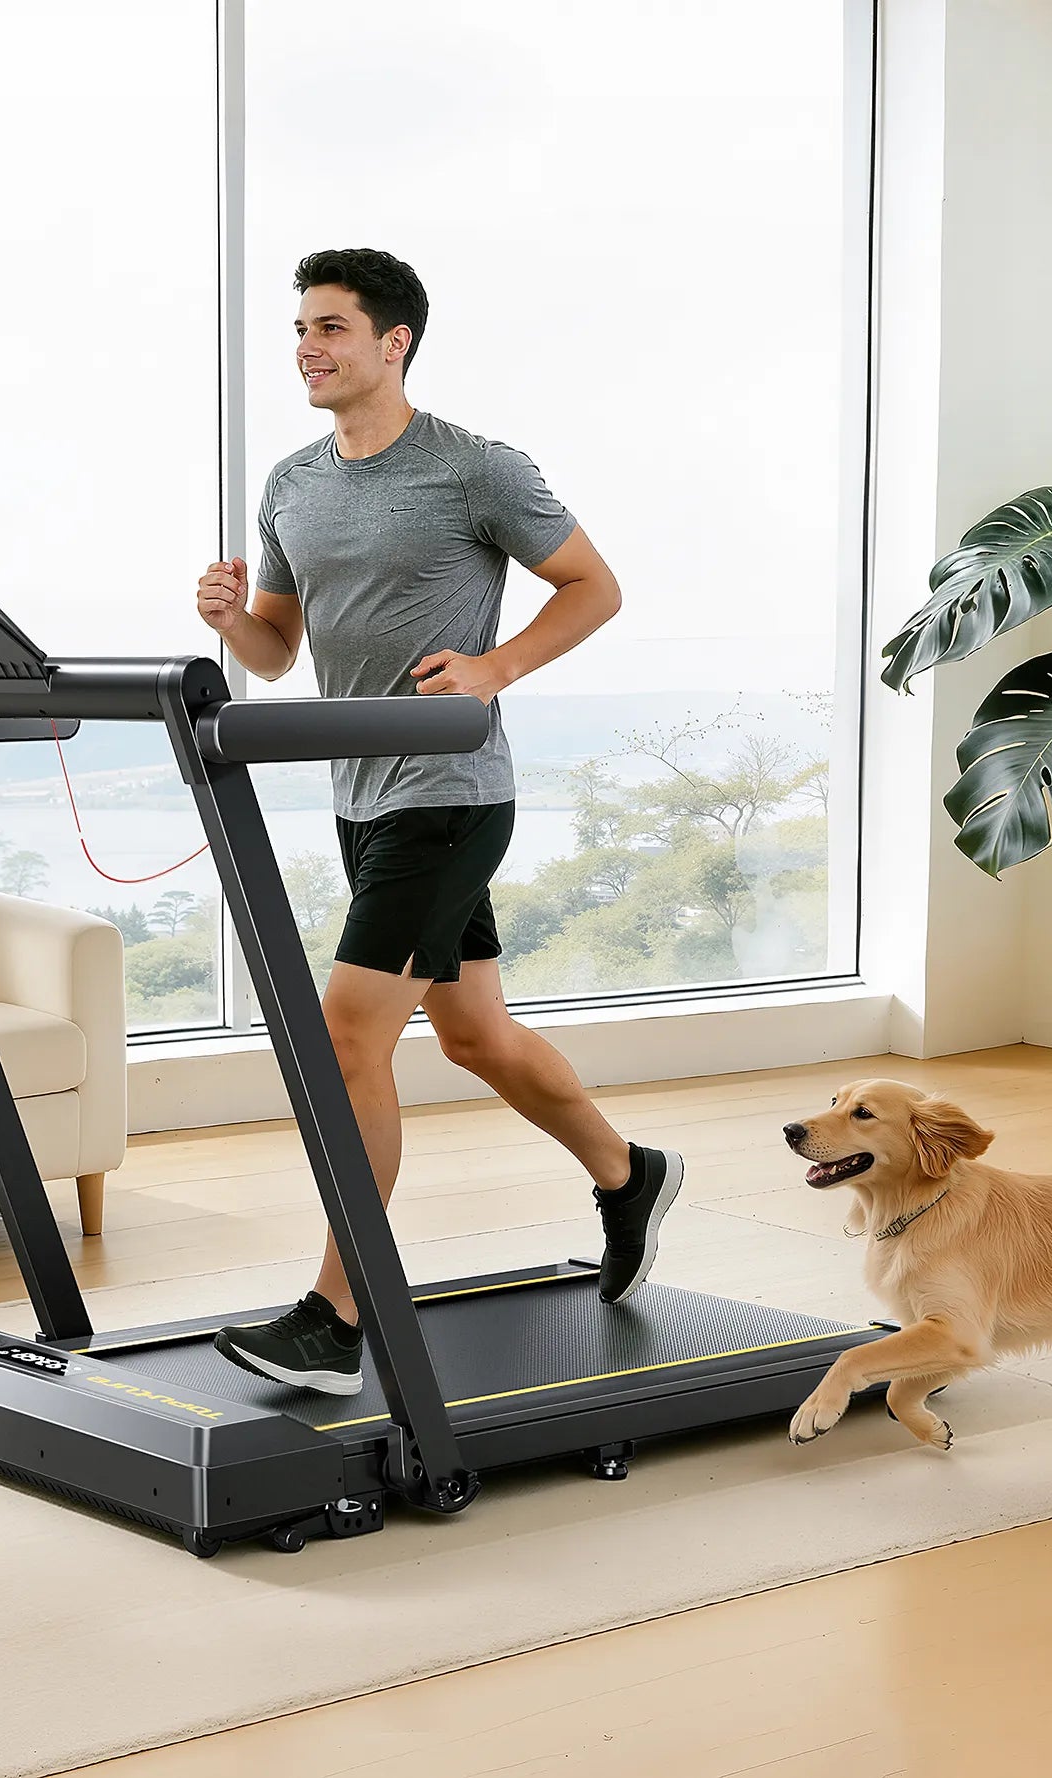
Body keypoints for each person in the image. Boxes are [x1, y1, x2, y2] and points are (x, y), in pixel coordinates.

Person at [193, 247, 684, 1397]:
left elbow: (592, 585)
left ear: (392, 341)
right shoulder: (291, 483)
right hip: (359, 797)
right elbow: (276, 649)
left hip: (452, 795)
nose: (308, 348)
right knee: (475, 1037)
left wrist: (494, 665)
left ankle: (336, 1309)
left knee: (346, 1035)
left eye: (330, 328)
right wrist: (228, 619)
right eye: (300, 330)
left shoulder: (473, 468)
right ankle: (628, 1173)